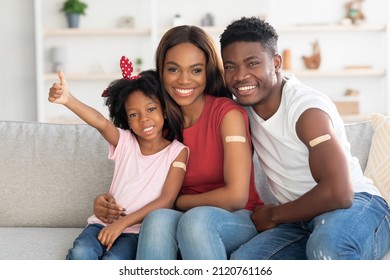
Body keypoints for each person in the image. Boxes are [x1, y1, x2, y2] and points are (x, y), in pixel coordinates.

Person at [220, 16, 390, 260]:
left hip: (357, 206)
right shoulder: (239, 111)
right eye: (230, 66)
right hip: (300, 220)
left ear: (276, 63)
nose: (240, 76)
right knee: (244, 264)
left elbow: (340, 192)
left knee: (328, 248)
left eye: (252, 63)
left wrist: (273, 215)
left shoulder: (307, 110)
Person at [93, 25, 263, 260]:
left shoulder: (227, 115)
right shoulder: (156, 123)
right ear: (161, 71)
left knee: (196, 220)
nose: (184, 80)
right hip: (182, 215)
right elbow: (135, 173)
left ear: (208, 72)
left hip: (236, 217)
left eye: (196, 70)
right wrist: (105, 204)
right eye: (173, 69)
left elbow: (236, 197)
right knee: (157, 219)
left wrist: (177, 201)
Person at [48, 57, 189, 260]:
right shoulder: (125, 142)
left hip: (136, 232)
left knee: (113, 262)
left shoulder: (178, 151)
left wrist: (122, 223)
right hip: (101, 223)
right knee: (81, 253)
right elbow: (101, 123)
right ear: (126, 119)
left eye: (151, 109)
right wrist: (69, 100)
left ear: (164, 111)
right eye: (133, 114)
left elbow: (166, 200)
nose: (144, 119)